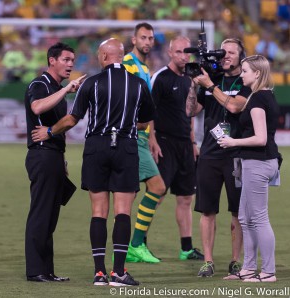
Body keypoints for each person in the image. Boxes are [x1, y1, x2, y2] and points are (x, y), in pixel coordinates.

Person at [31, 38, 156, 286]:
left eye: (99, 55)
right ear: (120, 56)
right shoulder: (139, 84)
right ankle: (118, 272)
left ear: (105, 57)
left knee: (98, 212)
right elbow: (145, 121)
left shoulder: (93, 84)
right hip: (125, 147)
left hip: (97, 148)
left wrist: (48, 132)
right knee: (123, 211)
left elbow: (71, 119)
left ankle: (99, 273)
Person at [189, 38, 251, 278]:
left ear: (241, 57)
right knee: (207, 211)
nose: (226, 56)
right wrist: (195, 86)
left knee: (237, 212)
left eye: (232, 52)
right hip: (210, 154)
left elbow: (236, 107)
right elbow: (190, 110)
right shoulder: (211, 80)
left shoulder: (246, 80)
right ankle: (208, 260)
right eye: (223, 52)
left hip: (236, 153)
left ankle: (235, 261)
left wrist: (210, 86)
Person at [24, 42, 86, 282]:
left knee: (50, 215)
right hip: (41, 154)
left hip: (53, 155)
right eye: (66, 60)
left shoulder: (55, 87)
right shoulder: (40, 84)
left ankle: (46, 270)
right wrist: (66, 90)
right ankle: (35, 270)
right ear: (52, 60)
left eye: (72, 60)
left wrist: (62, 158)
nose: (71, 64)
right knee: (41, 213)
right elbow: (37, 106)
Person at [218, 55, 280, 282]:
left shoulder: (258, 99)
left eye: (245, 71)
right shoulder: (263, 96)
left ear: (257, 73)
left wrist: (233, 142)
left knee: (259, 218)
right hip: (256, 162)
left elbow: (261, 138)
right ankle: (248, 268)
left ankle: (269, 271)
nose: (241, 74)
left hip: (259, 162)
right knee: (245, 217)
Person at [149, 36, 203, 261]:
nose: (183, 56)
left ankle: (186, 248)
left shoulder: (191, 80)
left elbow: (190, 114)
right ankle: (138, 242)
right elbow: (148, 111)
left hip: (184, 144)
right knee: (157, 193)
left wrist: (192, 142)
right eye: (179, 52)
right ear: (170, 53)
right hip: (164, 142)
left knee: (185, 198)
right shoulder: (160, 78)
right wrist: (152, 139)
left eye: (186, 53)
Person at [123, 22, 166, 263]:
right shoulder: (129, 64)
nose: (148, 42)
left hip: (141, 136)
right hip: (132, 136)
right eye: (143, 37)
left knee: (130, 194)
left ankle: (132, 246)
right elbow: (126, 99)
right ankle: (135, 244)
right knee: (156, 188)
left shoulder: (145, 68)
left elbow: (147, 107)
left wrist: (152, 136)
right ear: (134, 39)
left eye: (150, 38)